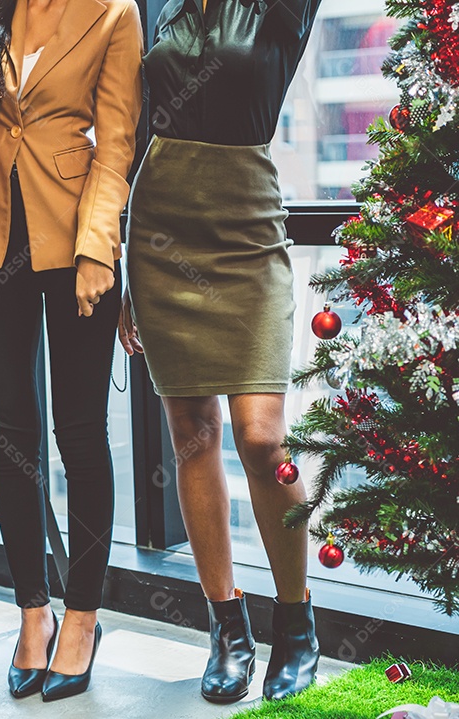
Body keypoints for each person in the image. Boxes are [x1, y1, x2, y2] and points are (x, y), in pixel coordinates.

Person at [0, 0, 143, 703]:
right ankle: (32, 611)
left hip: (76, 238)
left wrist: (99, 247)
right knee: (9, 431)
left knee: (80, 433)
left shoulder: (114, 13)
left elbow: (117, 142)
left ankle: (83, 616)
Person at [118, 0, 324, 704]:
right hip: (159, 230)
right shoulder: (164, 8)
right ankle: (227, 628)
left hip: (248, 232)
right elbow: (138, 126)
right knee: (192, 435)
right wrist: (128, 271)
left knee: (261, 437)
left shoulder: (279, 10)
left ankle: (296, 625)